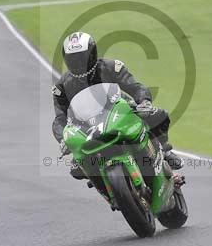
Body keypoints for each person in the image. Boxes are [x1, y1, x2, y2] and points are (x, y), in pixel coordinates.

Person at [52, 32, 184, 182]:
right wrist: (63, 138)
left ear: (92, 53)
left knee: (158, 115)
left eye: (82, 57)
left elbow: (135, 87)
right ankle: (103, 185)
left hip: (120, 111)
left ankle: (164, 151)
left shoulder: (111, 67)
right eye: (73, 59)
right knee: (77, 169)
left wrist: (144, 102)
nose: (78, 62)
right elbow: (60, 118)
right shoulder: (62, 86)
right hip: (87, 127)